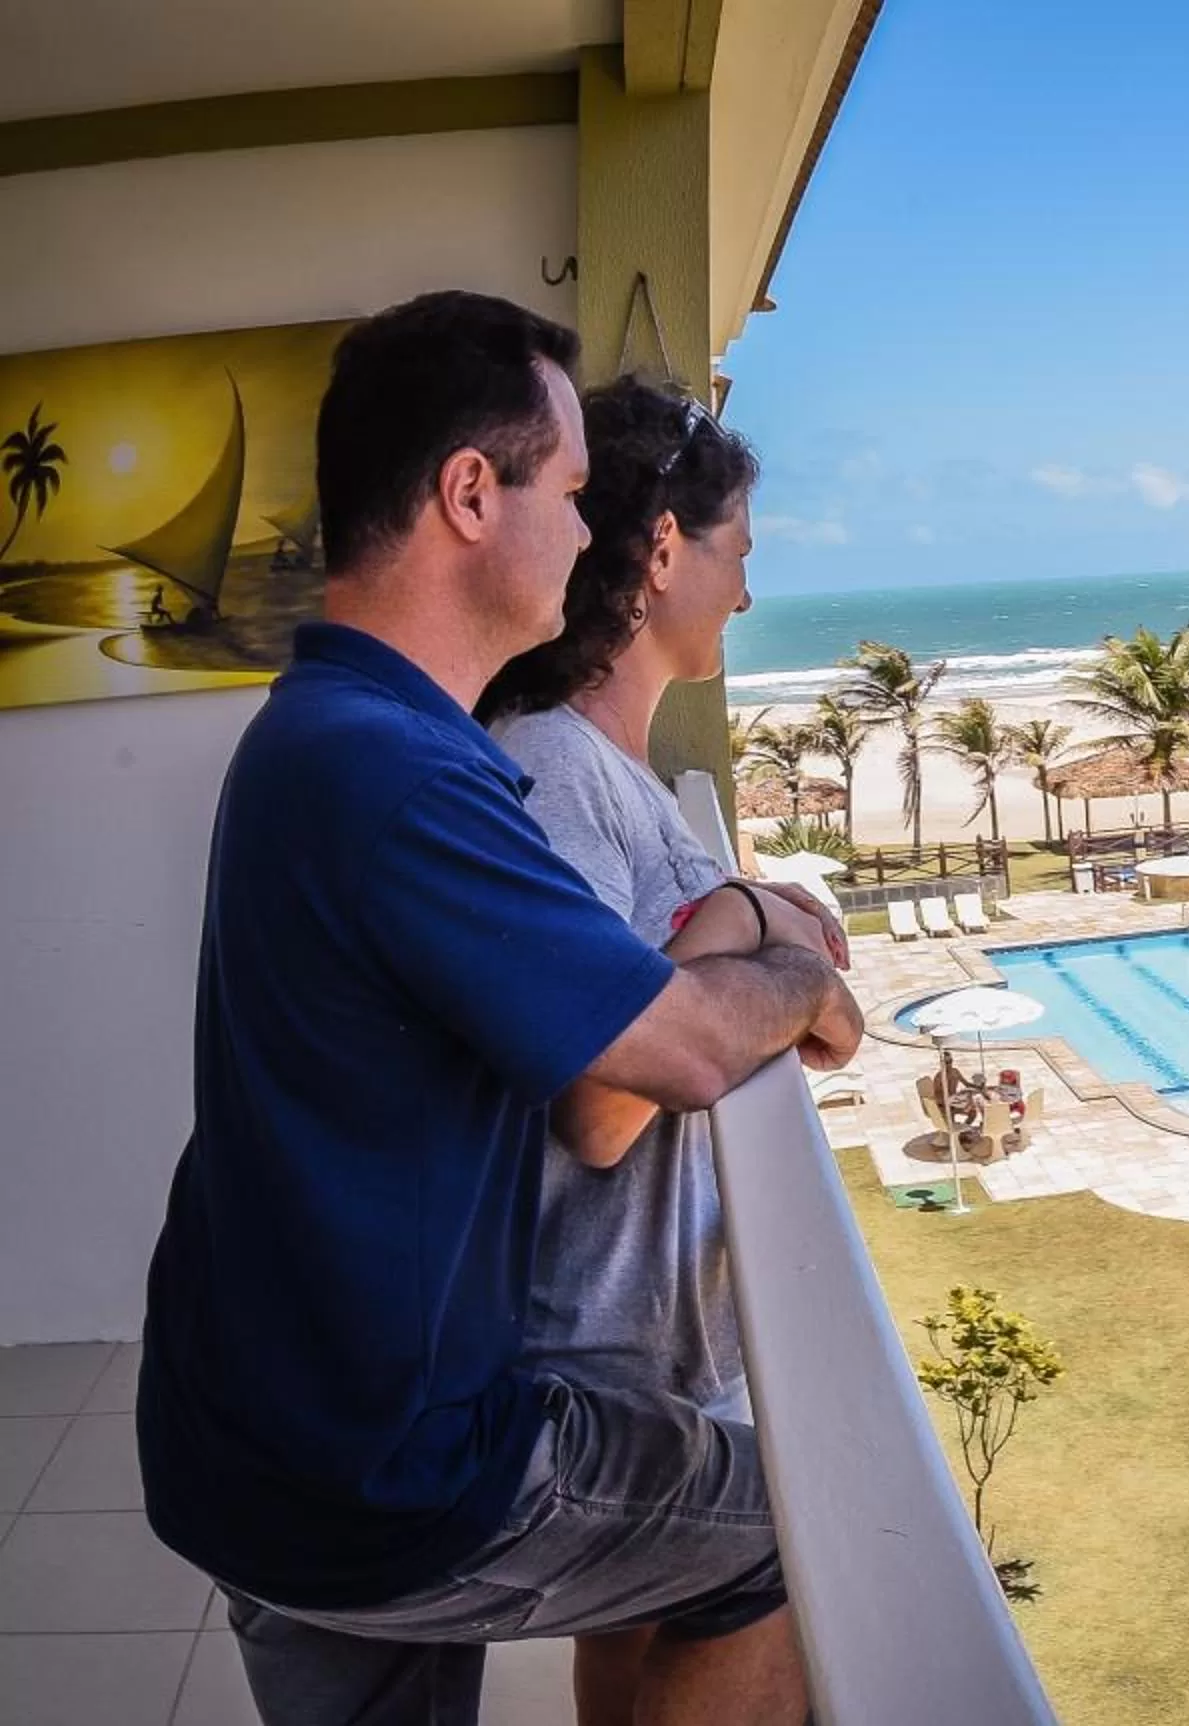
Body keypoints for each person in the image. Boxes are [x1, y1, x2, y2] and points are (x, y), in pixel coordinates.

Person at [137, 291, 856, 1726]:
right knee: (799, 1523)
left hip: (258, 1435)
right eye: (575, 492)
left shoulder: (328, 734)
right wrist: (789, 949)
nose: (594, 536)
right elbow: (686, 1053)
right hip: (383, 1468)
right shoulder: (401, 771)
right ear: (472, 494)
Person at [476, 378, 788, 1436]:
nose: (743, 595)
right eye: (736, 554)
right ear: (663, 551)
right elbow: (599, 1107)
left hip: (655, 1354)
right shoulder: (552, 764)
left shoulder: (610, 768)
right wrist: (741, 920)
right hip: (613, 1369)